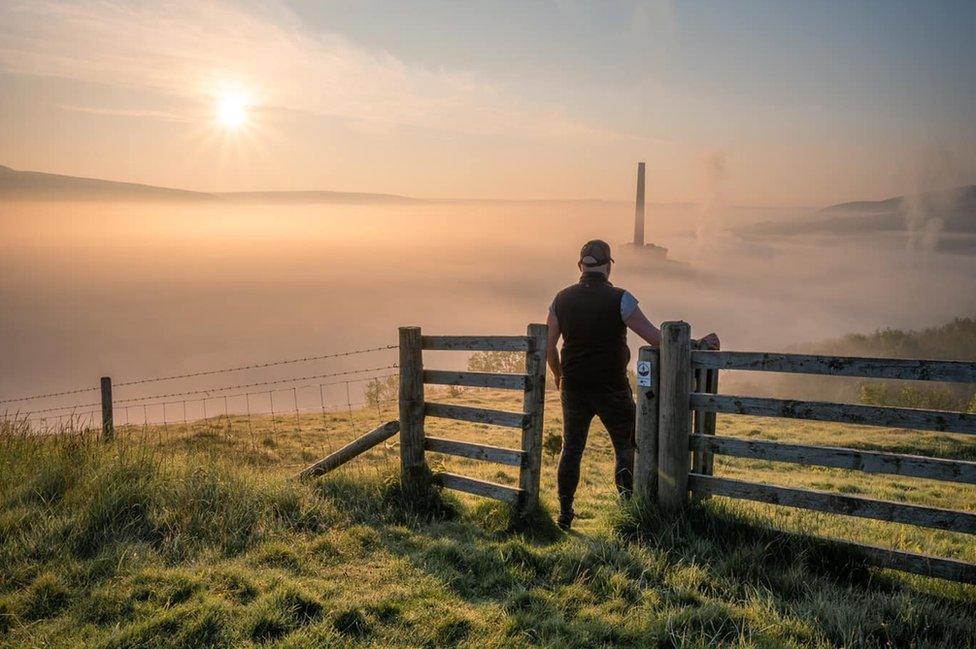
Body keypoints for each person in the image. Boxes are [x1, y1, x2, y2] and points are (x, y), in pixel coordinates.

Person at [546, 240, 719, 531]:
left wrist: (558, 376)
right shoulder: (621, 299)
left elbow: (549, 345)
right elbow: (656, 338)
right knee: (626, 446)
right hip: (612, 387)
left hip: (574, 386)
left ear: (580, 267)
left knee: (571, 448)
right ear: (609, 267)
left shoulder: (560, 300)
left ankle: (564, 513)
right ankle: (628, 507)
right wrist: (696, 345)